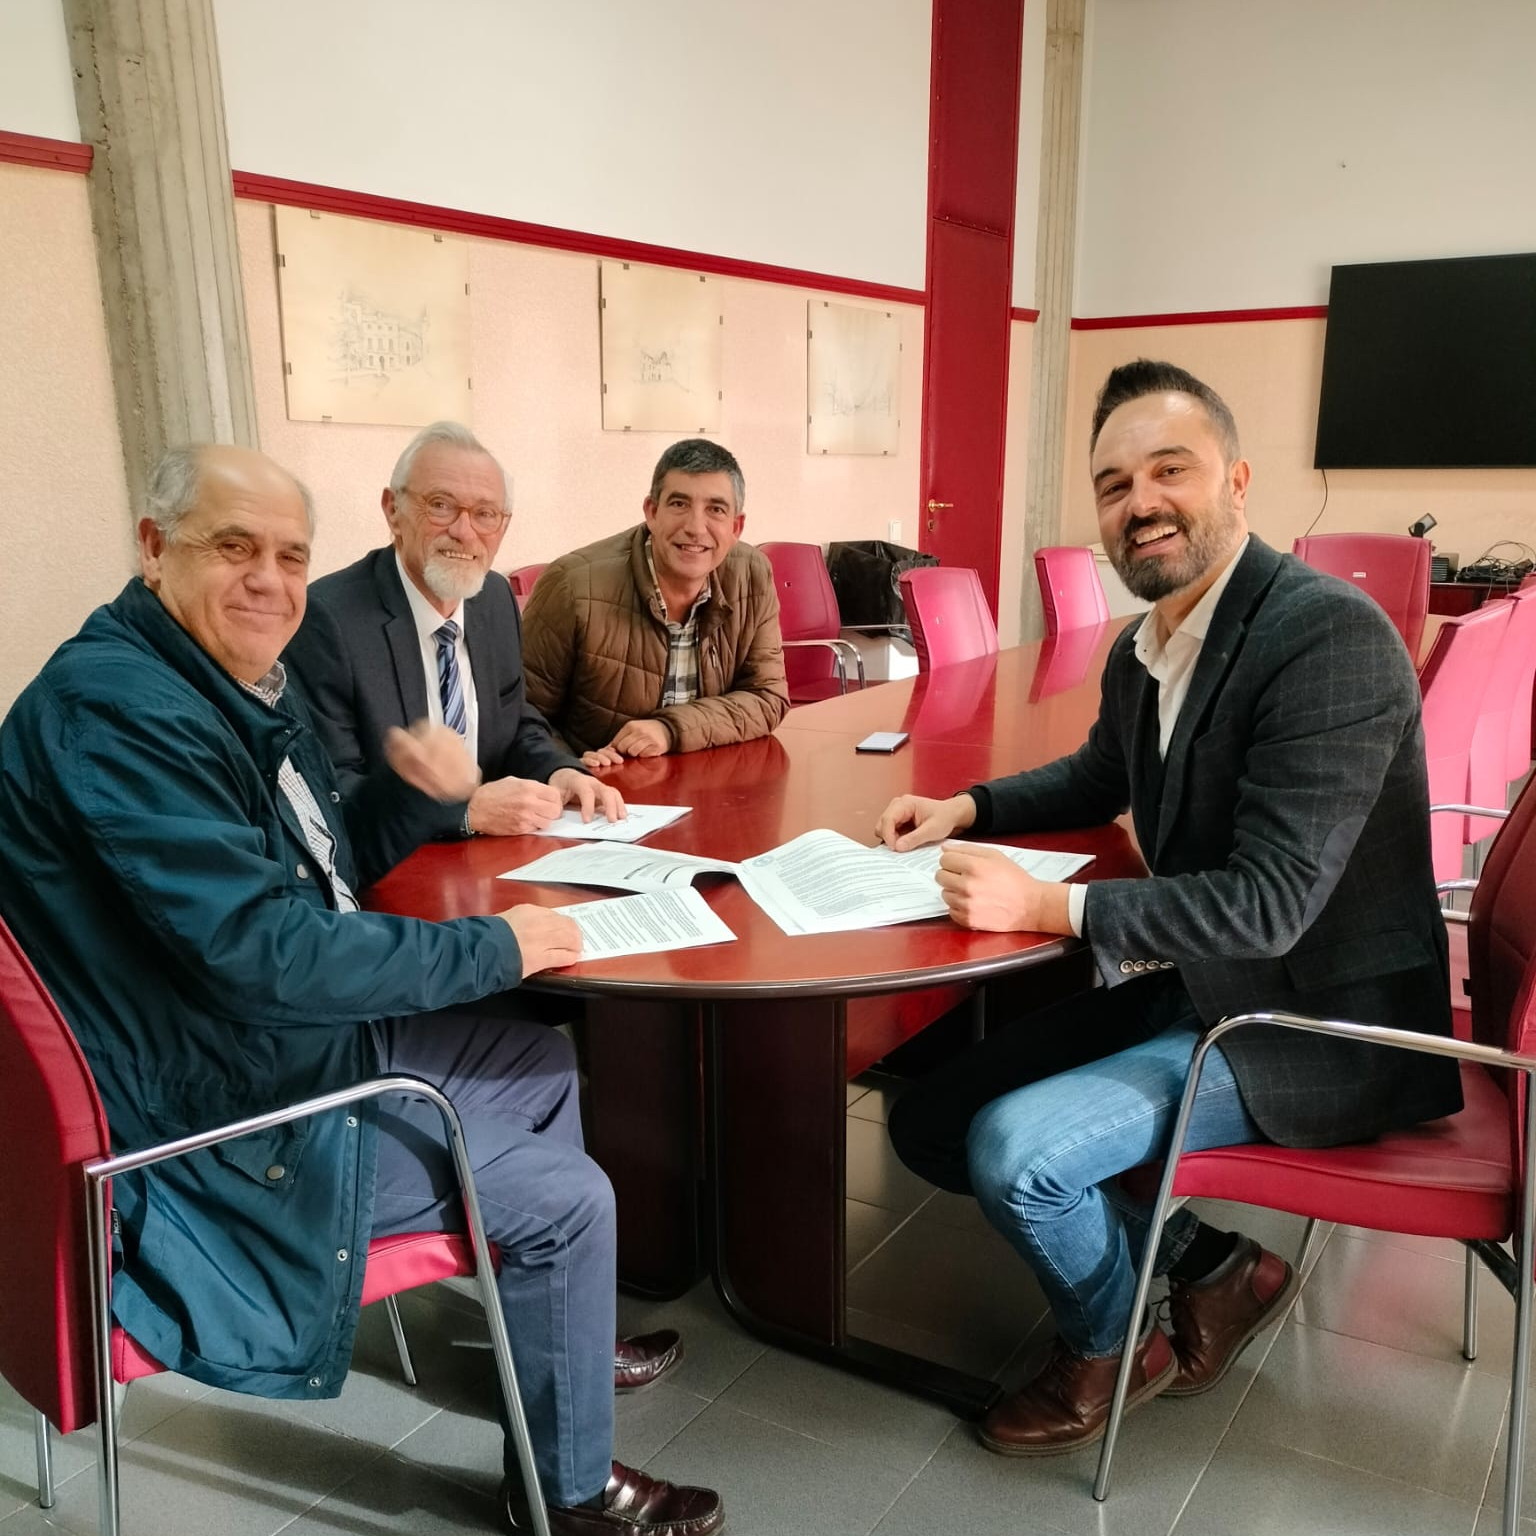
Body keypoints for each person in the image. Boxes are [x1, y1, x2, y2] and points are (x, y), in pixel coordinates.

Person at [0, 445, 722, 1536]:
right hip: (210, 1123)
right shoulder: (118, 713)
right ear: (153, 548)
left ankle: (551, 1342)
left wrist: (411, 797)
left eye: (290, 556)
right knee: (571, 1199)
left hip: (245, 1041)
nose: (269, 581)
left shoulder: (216, 675)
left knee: (537, 1056)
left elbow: (315, 871)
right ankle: (565, 1495)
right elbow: (266, 952)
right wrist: (497, 949)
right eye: (233, 547)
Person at [874, 359, 1462, 1457]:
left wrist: (1050, 907)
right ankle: (1216, 1267)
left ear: (1236, 481)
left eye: (1169, 470)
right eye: (1113, 485)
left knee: (1014, 1152)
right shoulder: (1151, 644)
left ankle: (1111, 1345)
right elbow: (1099, 775)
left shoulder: (1326, 638)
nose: (1139, 502)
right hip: (1207, 981)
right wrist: (968, 806)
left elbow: (1271, 907)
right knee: (928, 1117)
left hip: (1314, 1019)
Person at [285, 421, 624, 836]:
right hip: (398, 861)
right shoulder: (328, 619)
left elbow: (515, 724)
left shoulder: (494, 597)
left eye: (485, 514)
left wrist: (559, 770)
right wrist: (464, 814)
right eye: (441, 505)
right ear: (393, 510)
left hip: (499, 851)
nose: (464, 533)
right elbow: (332, 790)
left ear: (503, 525)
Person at [521, 438, 788, 763]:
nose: (695, 527)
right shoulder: (572, 585)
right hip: (596, 784)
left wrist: (670, 729)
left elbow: (768, 697)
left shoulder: (752, 574)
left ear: (736, 527)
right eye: (679, 504)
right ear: (652, 512)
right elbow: (522, 715)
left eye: (715, 509)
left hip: (704, 776)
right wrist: (566, 767)